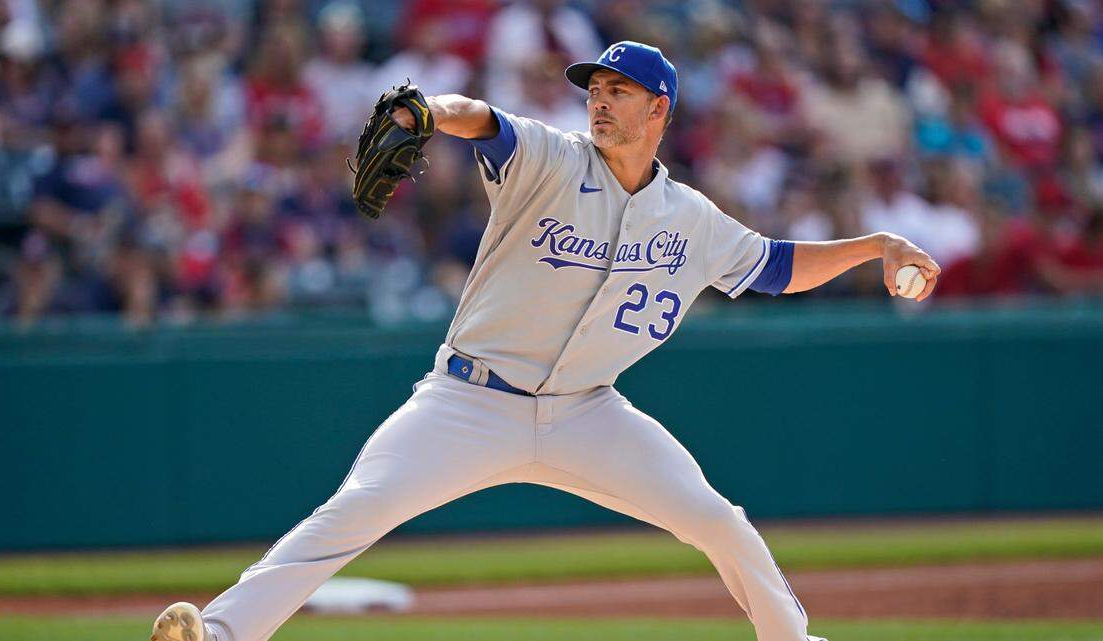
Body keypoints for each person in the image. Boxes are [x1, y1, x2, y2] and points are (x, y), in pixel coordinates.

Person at [152, 41, 940, 641]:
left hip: (586, 413)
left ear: (658, 109)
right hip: (467, 400)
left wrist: (875, 244)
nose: (599, 100)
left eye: (617, 90)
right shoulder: (552, 161)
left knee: (719, 520)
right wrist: (424, 112)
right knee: (355, 510)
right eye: (594, 88)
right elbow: (482, 120)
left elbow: (775, 266)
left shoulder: (690, 218)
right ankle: (218, 633)